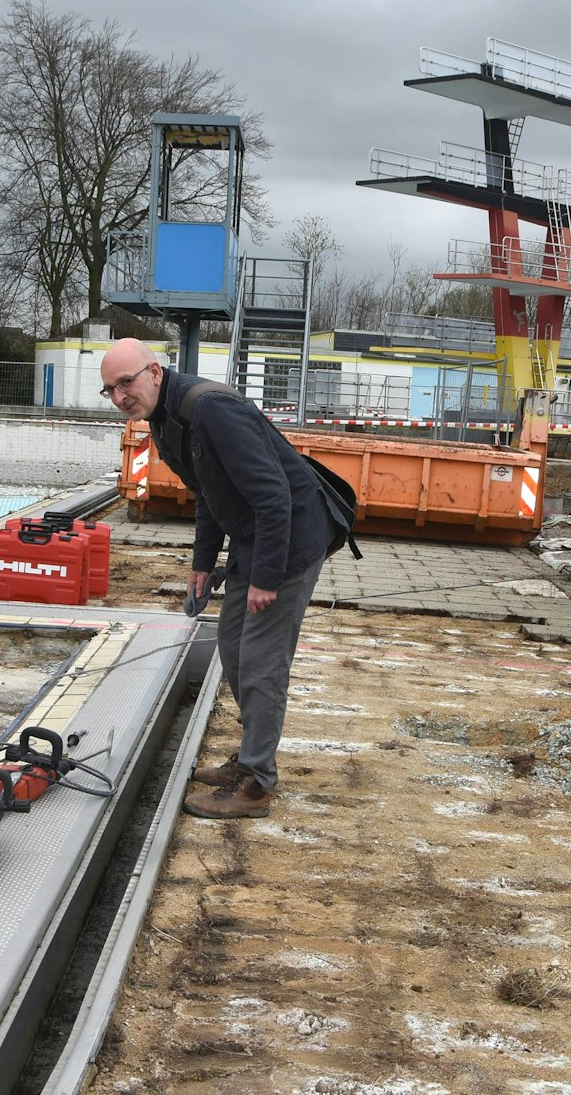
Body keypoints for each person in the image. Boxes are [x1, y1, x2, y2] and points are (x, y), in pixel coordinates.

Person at [100, 338, 337, 820]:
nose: (121, 396)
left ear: (155, 372)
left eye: (126, 382)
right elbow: (208, 493)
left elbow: (273, 495)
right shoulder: (163, 423)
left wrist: (267, 577)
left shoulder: (211, 411)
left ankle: (256, 783)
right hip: (254, 539)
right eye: (110, 390)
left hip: (289, 539)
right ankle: (251, 755)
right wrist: (202, 563)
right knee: (232, 646)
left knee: (261, 661)